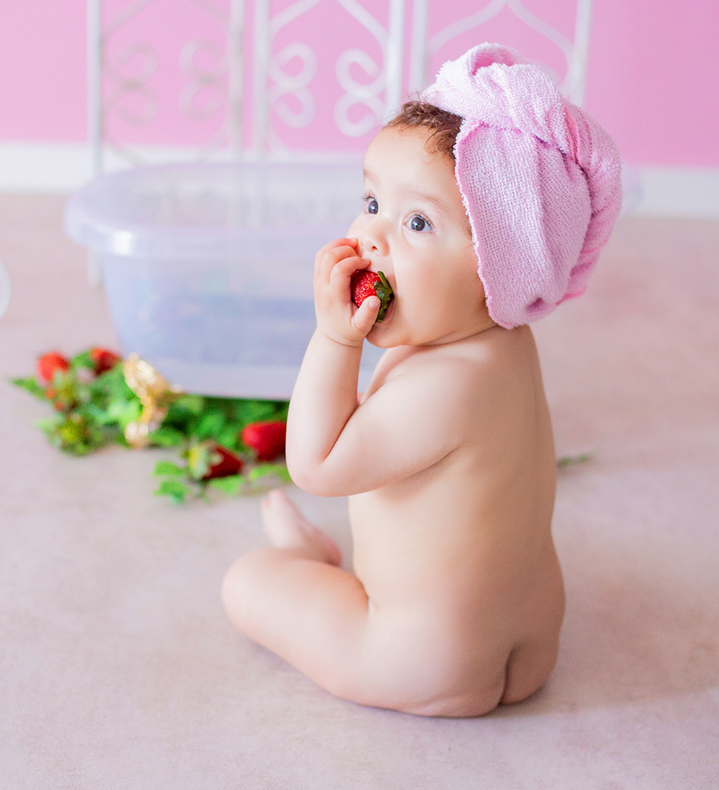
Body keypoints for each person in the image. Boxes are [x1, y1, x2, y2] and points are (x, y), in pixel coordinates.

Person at [221, 43, 622, 717]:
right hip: (533, 641)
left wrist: (334, 338)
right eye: (372, 200)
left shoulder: (446, 386)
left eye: (416, 222)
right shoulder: (501, 347)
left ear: (499, 270)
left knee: (247, 581)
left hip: (416, 657)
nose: (371, 236)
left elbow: (316, 464)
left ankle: (305, 562)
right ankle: (329, 571)